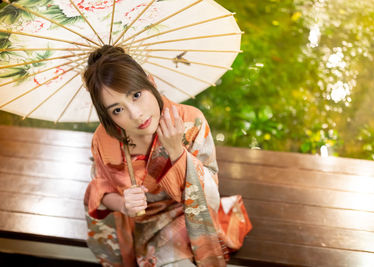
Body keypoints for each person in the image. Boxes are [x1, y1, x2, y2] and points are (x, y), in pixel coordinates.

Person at [83, 45, 252, 267]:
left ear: (150, 82)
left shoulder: (191, 122)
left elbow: (209, 194)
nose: (135, 114)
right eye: (117, 110)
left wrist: (176, 151)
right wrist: (124, 204)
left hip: (186, 212)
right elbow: (100, 188)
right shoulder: (105, 139)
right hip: (138, 221)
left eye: (136, 95)